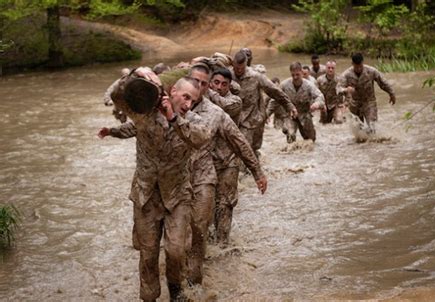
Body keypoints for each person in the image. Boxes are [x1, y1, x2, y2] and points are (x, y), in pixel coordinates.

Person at [98, 72, 211, 302]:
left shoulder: (193, 121)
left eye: (193, 100)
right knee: (148, 255)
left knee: (176, 251)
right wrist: (135, 74)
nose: (188, 104)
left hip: (177, 196)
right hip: (146, 194)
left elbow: (201, 138)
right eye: (186, 97)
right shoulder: (144, 112)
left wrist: (173, 117)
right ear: (172, 92)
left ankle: (176, 290)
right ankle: (148, 298)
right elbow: (117, 95)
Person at [187, 64, 267, 285]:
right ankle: (205, 245)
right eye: (215, 83)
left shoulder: (232, 102)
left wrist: (257, 171)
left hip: (228, 162)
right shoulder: (184, 105)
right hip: (204, 166)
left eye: (224, 84)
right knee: (204, 212)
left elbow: (240, 142)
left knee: (226, 204)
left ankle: (222, 246)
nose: (219, 87)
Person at [231, 50, 297, 154]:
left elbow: (274, 91)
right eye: (236, 68)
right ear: (233, 64)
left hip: (253, 120)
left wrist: (289, 106)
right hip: (234, 120)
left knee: (254, 148)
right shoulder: (228, 76)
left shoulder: (256, 76)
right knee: (242, 150)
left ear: (245, 65)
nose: (238, 71)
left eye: (241, 68)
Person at [337, 52, 396, 132]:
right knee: (358, 130)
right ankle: (362, 144)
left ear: (363, 62)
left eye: (360, 66)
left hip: (369, 102)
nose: (358, 68)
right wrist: (346, 89)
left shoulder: (371, 71)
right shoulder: (346, 74)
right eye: (356, 66)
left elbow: (383, 82)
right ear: (352, 64)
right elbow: (338, 89)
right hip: (355, 104)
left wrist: (391, 93)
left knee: (372, 127)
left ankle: (372, 143)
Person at [278, 62, 325, 143]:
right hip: (290, 115)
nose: (295, 77)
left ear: (302, 73)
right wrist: (267, 114)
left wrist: (317, 104)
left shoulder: (309, 85)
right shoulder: (284, 85)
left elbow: (320, 96)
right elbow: (274, 99)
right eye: (293, 75)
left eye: (297, 74)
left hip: (305, 114)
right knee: (291, 137)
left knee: (310, 141)